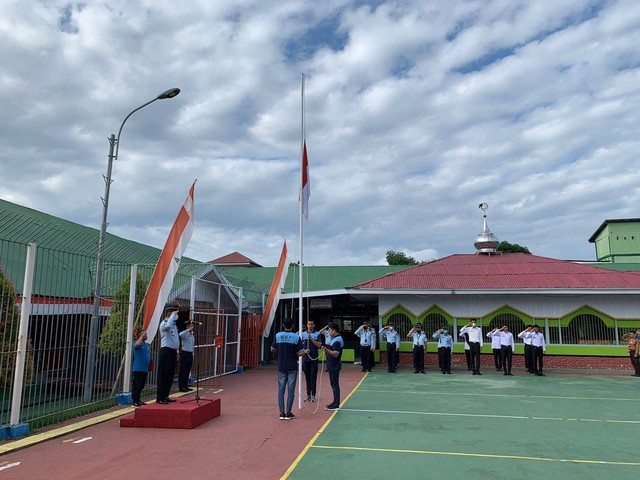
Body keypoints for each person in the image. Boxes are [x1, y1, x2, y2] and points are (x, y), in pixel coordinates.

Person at [271, 318, 308, 420]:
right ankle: (288, 412)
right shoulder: (296, 337)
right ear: (292, 326)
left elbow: (272, 349)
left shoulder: (278, 335)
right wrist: (304, 352)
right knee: (291, 389)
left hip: (281, 366)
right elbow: (300, 352)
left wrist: (280, 351)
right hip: (292, 366)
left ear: (283, 325)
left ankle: (281, 412)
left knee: (281, 389)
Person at [156, 304, 180, 404]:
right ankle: (160, 397)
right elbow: (168, 326)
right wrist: (172, 316)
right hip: (165, 351)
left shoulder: (174, 325)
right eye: (175, 314)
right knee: (163, 375)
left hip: (172, 352)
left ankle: (166, 395)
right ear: (169, 314)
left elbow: (176, 339)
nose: (176, 316)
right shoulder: (164, 323)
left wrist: (177, 352)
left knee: (170, 375)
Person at [321, 323, 344, 411]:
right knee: (333, 384)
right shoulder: (336, 339)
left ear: (334, 330)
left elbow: (336, 353)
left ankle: (336, 403)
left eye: (330, 330)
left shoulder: (337, 340)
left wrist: (326, 350)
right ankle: (335, 402)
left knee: (334, 384)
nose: (329, 332)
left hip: (334, 365)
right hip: (332, 364)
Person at [301, 319, 323, 402]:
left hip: (314, 359)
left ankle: (313, 395)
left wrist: (311, 338)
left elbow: (319, 346)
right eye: (309, 324)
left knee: (313, 376)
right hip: (306, 359)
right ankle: (308, 395)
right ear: (307, 325)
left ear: (314, 325)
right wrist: (304, 351)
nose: (310, 325)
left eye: (311, 324)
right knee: (307, 377)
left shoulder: (317, 334)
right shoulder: (303, 334)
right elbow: (300, 346)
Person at [132, 330, 150, 407]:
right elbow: (137, 345)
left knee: (141, 385)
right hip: (138, 368)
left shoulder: (146, 344)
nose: (146, 335)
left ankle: (138, 399)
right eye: (145, 334)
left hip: (144, 368)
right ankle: (135, 400)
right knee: (136, 385)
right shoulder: (136, 343)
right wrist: (141, 336)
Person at [178, 321, 195, 392]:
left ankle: (185, 385)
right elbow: (180, 334)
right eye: (190, 326)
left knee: (187, 370)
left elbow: (191, 345)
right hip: (185, 353)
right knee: (183, 371)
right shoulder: (185, 333)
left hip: (190, 353)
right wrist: (188, 330)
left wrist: (193, 353)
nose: (192, 327)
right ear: (187, 327)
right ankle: (181, 387)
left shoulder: (192, 335)